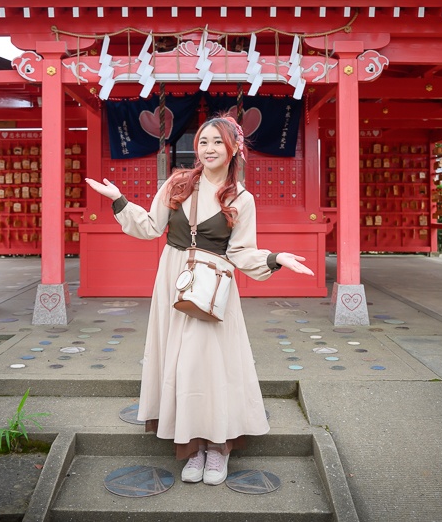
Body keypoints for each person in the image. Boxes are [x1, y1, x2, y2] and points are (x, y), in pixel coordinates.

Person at [85, 114, 313, 486]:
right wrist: (120, 201)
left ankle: (218, 448)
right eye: (203, 141)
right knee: (180, 361)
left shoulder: (242, 198)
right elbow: (150, 228)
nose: (208, 148)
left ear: (235, 148)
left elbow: (241, 252)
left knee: (208, 363)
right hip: (173, 280)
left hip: (214, 287)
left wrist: (276, 258)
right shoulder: (176, 184)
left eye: (217, 142)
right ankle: (192, 449)